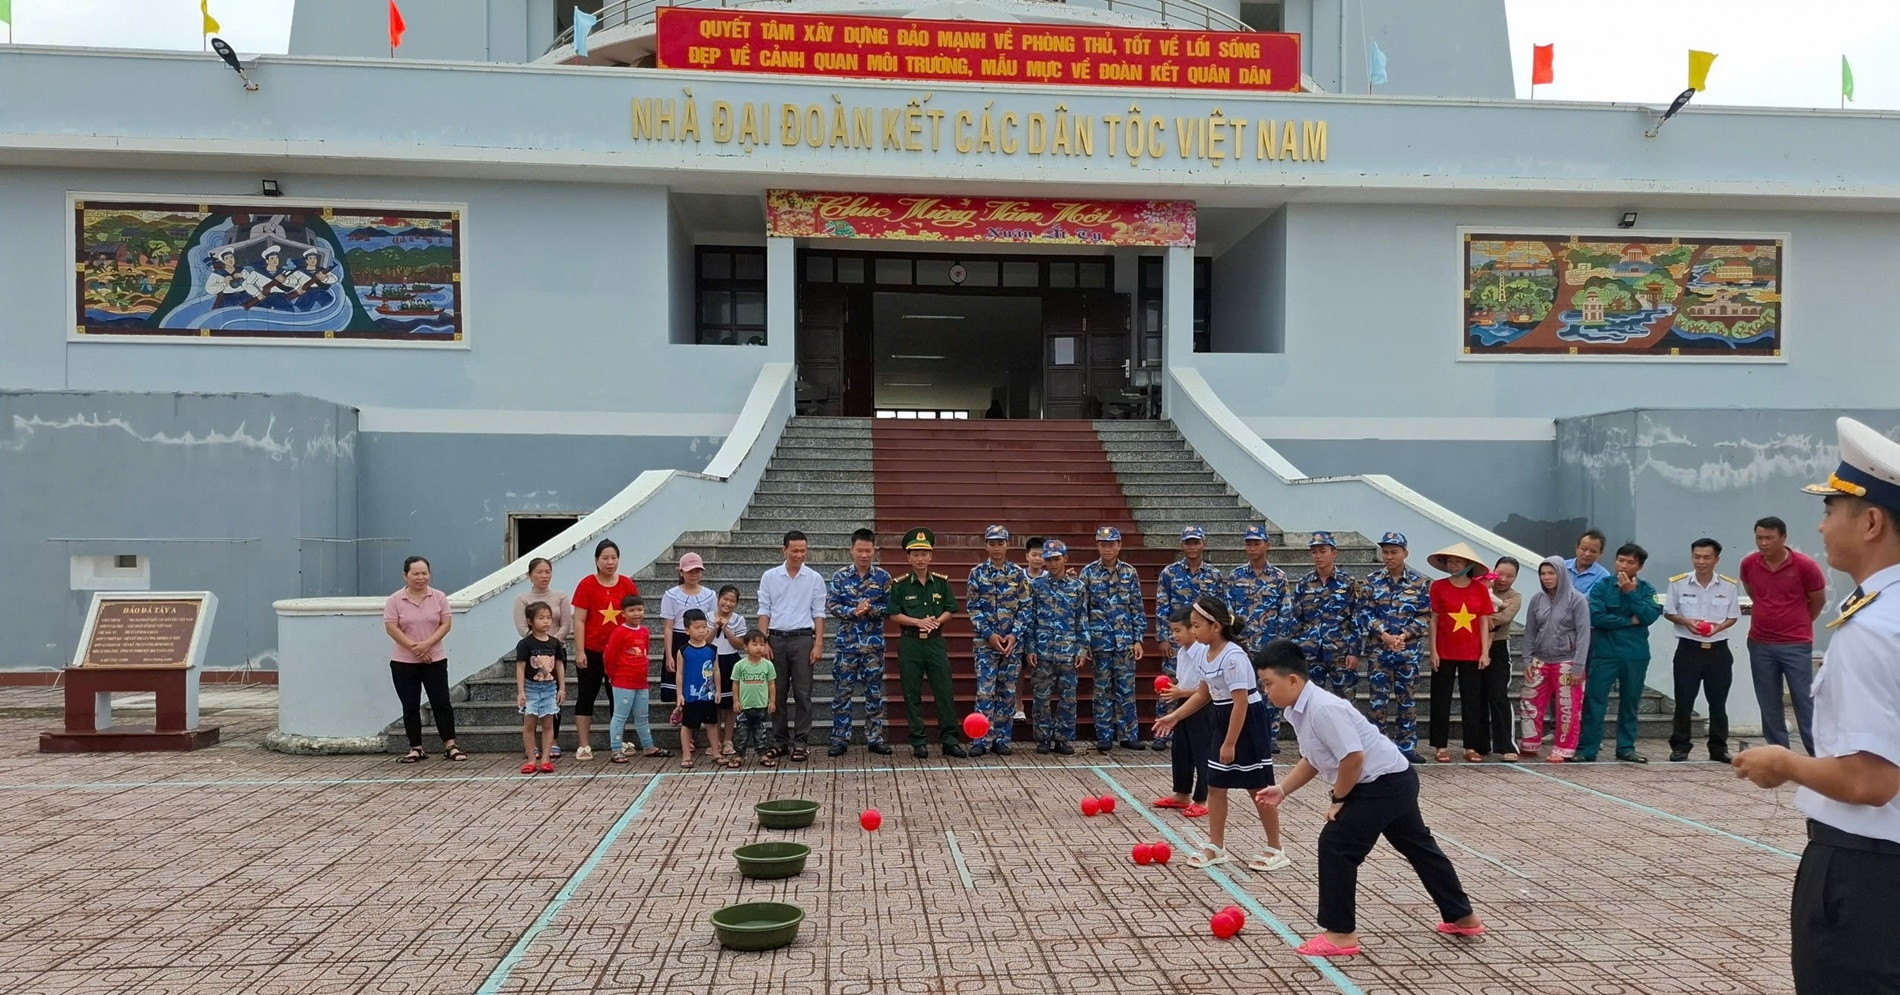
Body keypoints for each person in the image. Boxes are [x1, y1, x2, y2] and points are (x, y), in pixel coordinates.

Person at [1734, 417, 1900, 994]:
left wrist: (1784, 765)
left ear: (1872, 521)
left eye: (1832, 509)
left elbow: (1870, 780)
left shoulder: (1876, 627)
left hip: (1868, 872)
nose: (1822, 525)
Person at [1253, 638, 1484, 959]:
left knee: (1336, 844)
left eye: (1268, 684)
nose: (1266, 691)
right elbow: (1313, 759)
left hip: (1383, 783)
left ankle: (1341, 935)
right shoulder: (1298, 709)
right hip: (1394, 778)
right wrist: (1283, 789)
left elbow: (1351, 758)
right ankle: (1463, 917)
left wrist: (1339, 799)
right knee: (1418, 846)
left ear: (1292, 680)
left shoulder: (1322, 708)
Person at [1153, 596, 1286, 872]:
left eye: (1197, 625)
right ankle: (1216, 846)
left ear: (1215, 627)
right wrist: (1175, 716)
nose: (1193, 630)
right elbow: (1204, 693)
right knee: (1215, 784)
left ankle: (1276, 848)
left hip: (1246, 722)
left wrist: (1230, 742)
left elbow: (1241, 702)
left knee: (1257, 787)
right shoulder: (1206, 653)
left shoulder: (1233, 656)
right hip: (1222, 718)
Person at [1740, 515, 1828, 754]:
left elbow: (1818, 600)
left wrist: (1799, 622)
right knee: (1768, 701)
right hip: (1760, 642)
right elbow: (1753, 593)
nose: (1763, 543)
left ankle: (1816, 751)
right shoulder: (1749, 564)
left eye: (1769, 538)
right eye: (1759, 538)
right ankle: (1779, 752)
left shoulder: (1805, 565)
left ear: (1783, 538)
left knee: (1803, 699)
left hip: (1796, 643)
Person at [1577, 542, 1663, 763]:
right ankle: (1588, 749)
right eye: (1621, 560)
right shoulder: (1602, 586)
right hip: (1605, 653)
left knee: (1630, 700)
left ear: (1639, 566)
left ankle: (1626, 747)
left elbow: (1649, 617)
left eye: (1630, 562)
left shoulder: (1647, 589)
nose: (1623, 565)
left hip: (1635, 654)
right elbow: (1596, 618)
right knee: (1595, 699)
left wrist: (1631, 594)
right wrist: (1628, 621)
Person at [1662, 539, 1741, 763]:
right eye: (1697, 556)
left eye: (1707, 557)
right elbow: (1669, 612)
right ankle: (1680, 746)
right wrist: (1686, 622)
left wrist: (1718, 627)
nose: (1701, 561)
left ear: (1717, 559)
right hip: (1689, 649)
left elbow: (1733, 616)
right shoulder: (1678, 583)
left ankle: (1718, 747)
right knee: (1684, 700)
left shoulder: (1728, 585)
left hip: (1718, 650)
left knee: (1718, 702)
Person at [889, 527, 966, 759]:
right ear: (908, 557)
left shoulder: (941, 583)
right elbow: (893, 614)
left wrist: (935, 622)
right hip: (910, 643)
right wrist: (917, 621)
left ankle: (950, 740)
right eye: (915, 554)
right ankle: (918, 741)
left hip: (935, 643)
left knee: (944, 691)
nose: (920, 558)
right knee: (911, 693)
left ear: (931, 556)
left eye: (924, 553)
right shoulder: (899, 584)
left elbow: (951, 609)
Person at [1357, 531, 1431, 763]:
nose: (1389, 557)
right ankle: (1377, 747)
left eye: (1394, 552)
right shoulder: (1372, 581)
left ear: (1405, 553)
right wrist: (1385, 635)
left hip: (1407, 652)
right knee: (1377, 702)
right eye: (1385, 552)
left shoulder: (1419, 583)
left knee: (1406, 701)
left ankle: (1407, 747)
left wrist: (1404, 635)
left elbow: (1425, 616)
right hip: (1380, 651)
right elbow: (1364, 612)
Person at [383, 555, 465, 762]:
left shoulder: (438, 597)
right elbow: (391, 628)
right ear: (405, 576)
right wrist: (415, 648)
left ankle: (450, 745)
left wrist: (427, 645)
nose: (421, 577)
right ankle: (416, 747)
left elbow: (445, 624)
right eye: (415, 573)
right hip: (404, 661)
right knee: (410, 705)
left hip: (435, 659)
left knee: (441, 702)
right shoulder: (395, 600)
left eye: (424, 573)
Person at [758, 530, 826, 762]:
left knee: (803, 692)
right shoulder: (770, 576)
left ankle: (801, 741)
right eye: (794, 550)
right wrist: (763, 640)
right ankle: (779, 740)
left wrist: (818, 644)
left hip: (803, 639)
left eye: (803, 550)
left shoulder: (814, 578)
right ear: (784, 550)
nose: (799, 554)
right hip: (775, 639)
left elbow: (818, 613)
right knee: (776, 693)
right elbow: (764, 610)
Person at [1153, 526, 1222, 751]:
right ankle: (1163, 731)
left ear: (1204, 543)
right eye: (1188, 543)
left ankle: (1197, 727)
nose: (1192, 547)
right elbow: (1162, 606)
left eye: (1196, 542)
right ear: (1182, 545)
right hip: (1177, 640)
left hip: (1204, 641)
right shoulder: (1169, 573)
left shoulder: (1214, 575)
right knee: (1171, 684)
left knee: (1202, 684)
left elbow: (1220, 609)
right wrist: (1164, 637)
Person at [1226, 524, 1294, 755]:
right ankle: (1245, 735)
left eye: (1257, 543)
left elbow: (1286, 611)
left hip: (1269, 645)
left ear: (1267, 545)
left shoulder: (1278, 577)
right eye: (1249, 543)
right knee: (1243, 692)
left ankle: (1270, 736)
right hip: (1243, 646)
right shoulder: (1236, 576)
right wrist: (1233, 641)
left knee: (1271, 693)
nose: (1252, 547)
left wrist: (1280, 644)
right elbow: (1229, 613)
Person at [1425, 543, 1495, 763]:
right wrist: (1433, 650)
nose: (1453, 565)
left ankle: (1471, 746)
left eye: (1458, 562)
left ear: (1468, 565)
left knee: (1472, 700)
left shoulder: (1480, 589)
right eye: (1450, 561)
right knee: (1440, 699)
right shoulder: (1438, 586)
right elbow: (1434, 620)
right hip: (1444, 651)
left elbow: (1484, 621)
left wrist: (1485, 652)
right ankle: (1440, 746)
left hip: (1472, 653)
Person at [1518, 555, 1592, 762]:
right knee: (1529, 701)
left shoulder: (1577, 599)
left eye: (1551, 573)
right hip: (1540, 660)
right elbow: (1530, 631)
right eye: (1543, 573)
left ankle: (1564, 747)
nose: (1547, 578)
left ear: (1561, 574)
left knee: (1567, 707)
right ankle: (1530, 742)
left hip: (1567, 662)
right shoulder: (1537, 599)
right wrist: (1526, 659)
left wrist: (1578, 667)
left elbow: (1584, 633)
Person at [827, 528, 893, 757]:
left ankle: (875, 738)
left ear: (874, 550)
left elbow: (890, 608)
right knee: (842, 693)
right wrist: (853, 611)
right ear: (851, 550)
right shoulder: (840, 576)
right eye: (859, 550)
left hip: (873, 647)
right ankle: (839, 738)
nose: (864, 555)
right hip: (847, 645)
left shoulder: (883, 578)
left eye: (868, 550)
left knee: (873, 693)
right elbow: (832, 605)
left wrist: (871, 609)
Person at [571, 539, 638, 761]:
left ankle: (617, 741)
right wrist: (579, 651)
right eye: (605, 558)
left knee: (618, 697)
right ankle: (584, 744)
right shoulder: (586, 584)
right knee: (586, 695)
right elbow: (579, 620)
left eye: (614, 558)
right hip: (591, 650)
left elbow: (634, 616)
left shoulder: (627, 584)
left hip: (620, 653)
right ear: (596, 561)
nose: (610, 562)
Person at [1081, 525, 1147, 751]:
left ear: (1119, 546)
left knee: (1126, 689)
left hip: (1124, 641)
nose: (1107, 549)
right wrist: (1085, 641)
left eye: (1111, 545)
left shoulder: (1130, 572)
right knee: (1101, 690)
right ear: (1097, 545)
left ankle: (1129, 734)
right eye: (1103, 544)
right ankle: (1104, 735)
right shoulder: (1088, 573)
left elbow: (1136, 607)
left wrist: (1138, 638)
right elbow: (1083, 610)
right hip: (1099, 641)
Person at [967, 525, 1031, 757]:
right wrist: (989, 635)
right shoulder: (977, 573)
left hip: (1012, 645)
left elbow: (1026, 607)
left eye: (1000, 543)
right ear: (986, 545)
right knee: (985, 692)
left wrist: (1014, 635)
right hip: (986, 644)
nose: (996, 547)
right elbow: (973, 608)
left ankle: (1002, 739)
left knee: (1007, 692)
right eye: (992, 543)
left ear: (1007, 544)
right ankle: (979, 739)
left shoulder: (1017, 574)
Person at [1026, 539, 1088, 755]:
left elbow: (1082, 620)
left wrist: (1082, 648)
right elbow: (1030, 620)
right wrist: (1030, 647)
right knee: (1041, 698)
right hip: (1043, 652)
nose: (1052, 564)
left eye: (1056, 559)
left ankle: (1063, 738)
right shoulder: (1036, 586)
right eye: (1048, 559)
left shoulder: (1077, 587)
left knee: (1068, 699)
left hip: (1068, 652)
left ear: (1065, 559)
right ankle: (1043, 738)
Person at [512, 556, 572, 756]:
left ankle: (552, 740)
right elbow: (522, 627)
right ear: (530, 575)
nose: (544, 576)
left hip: (555, 650)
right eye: (539, 572)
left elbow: (566, 623)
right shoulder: (522, 599)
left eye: (547, 571)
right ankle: (532, 746)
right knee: (531, 697)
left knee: (553, 695)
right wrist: (539, 642)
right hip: (531, 653)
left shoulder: (561, 596)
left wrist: (552, 642)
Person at [1152, 608, 1209, 817]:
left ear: (1193, 629)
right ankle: (1182, 794)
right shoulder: (1183, 652)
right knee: (1181, 749)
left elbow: (1209, 689)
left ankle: (1202, 799)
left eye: (1178, 630)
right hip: (1184, 702)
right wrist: (1172, 687)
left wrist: (1180, 691)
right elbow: (1184, 681)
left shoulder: (1204, 651)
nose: (1174, 636)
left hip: (1203, 706)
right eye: (1172, 631)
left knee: (1202, 752)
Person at [1292, 531, 1362, 700]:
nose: (1318, 556)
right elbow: (1295, 620)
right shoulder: (1303, 583)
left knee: (1346, 703)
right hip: (1310, 653)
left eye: (1323, 551)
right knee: (1309, 702)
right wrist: (1296, 651)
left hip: (1340, 652)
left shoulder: (1348, 583)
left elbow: (1357, 620)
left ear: (1334, 553)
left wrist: (1354, 651)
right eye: (1314, 552)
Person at [603, 596, 666, 763]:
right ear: (623, 613)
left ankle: (648, 746)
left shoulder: (644, 631)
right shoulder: (619, 632)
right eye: (632, 611)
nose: (636, 613)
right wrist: (612, 675)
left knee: (642, 716)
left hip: (641, 682)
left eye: (639, 610)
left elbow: (645, 652)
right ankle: (616, 749)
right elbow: (609, 656)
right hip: (623, 681)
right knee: (620, 716)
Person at [660, 552, 716, 717]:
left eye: (697, 571)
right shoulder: (671, 595)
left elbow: (711, 624)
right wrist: (669, 655)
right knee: (679, 683)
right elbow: (668, 627)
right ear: (681, 572)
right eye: (690, 571)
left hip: (701, 641)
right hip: (679, 639)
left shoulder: (710, 595)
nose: (694, 575)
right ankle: (684, 723)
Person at [514, 600, 565, 774]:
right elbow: (520, 667)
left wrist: (562, 688)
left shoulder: (555, 643)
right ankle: (530, 758)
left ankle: (545, 759)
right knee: (529, 724)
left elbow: (559, 666)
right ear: (530, 621)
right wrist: (521, 691)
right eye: (541, 618)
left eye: (549, 617)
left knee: (548, 723)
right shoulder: (525, 644)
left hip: (550, 687)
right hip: (531, 688)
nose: (546, 621)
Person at [672, 608, 723, 768]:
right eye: (697, 627)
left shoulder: (712, 649)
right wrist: (679, 694)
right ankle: (686, 756)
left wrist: (719, 690)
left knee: (712, 724)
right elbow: (679, 674)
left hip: (708, 695)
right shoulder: (683, 650)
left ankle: (716, 753)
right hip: (690, 695)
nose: (702, 631)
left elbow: (716, 670)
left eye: (704, 627)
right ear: (687, 630)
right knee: (687, 726)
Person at [1484, 557, 1523, 761]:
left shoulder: (1514, 596)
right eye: (1500, 573)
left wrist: (1479, 618)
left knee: (1499, 694)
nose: (1503, 579)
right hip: (1475, 645)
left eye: (1510, 576)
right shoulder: (1481, 586)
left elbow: (1505, 618)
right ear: (1493, 570)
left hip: (1499, 647)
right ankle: (1479, 744)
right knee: (1478, 696)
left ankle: (1507, 744)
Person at [730, 630, 779, 767]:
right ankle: (739, 755)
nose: (759, 648)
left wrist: (772, 701)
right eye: (755, 644)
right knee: (742, 733)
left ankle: (763, 754)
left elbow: (771, 684)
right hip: (744, 707)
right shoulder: (740, 665)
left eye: (762, 644)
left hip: (761, 706)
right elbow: (735, 684)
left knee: (760, 732)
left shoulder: (768, 665)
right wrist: (736, 701)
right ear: (746, 647)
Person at [709, 585, 748, 759]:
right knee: (713, 703)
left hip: (730, 660)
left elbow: (739, 644)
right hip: (711, 661)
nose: (728, 603)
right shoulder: (707, 617)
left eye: (732, 601)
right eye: (725, 599)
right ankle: (715, 740)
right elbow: (704, 640)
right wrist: (715, 627)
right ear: (718, 598)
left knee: (730, 704)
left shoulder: (739, 620)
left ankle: (728, 740)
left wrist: (726, 628)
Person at [1565, 529, 1613, 595]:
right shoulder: (1562, 566)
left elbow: (1589, 598)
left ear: (1600, 554)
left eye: (1593, 551)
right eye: (1584, 549)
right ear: (1577, 548)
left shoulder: (1603, 575)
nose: (1587, 554)